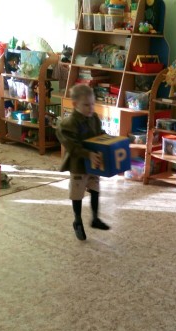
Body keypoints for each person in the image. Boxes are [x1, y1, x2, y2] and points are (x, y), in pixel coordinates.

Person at [55, 84, 110, 241]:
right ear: (75, 104)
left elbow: (100, 134)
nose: (91, 108)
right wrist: (87, 154)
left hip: (94, 164)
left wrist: (110, 140)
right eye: (86, 105)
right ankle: (77, 221)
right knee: (77, 194)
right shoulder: (68, 123)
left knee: (95, 189)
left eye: (92, 104)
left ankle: (95, 218)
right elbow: (72, 146)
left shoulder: (94, 118)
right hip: (78, 165)